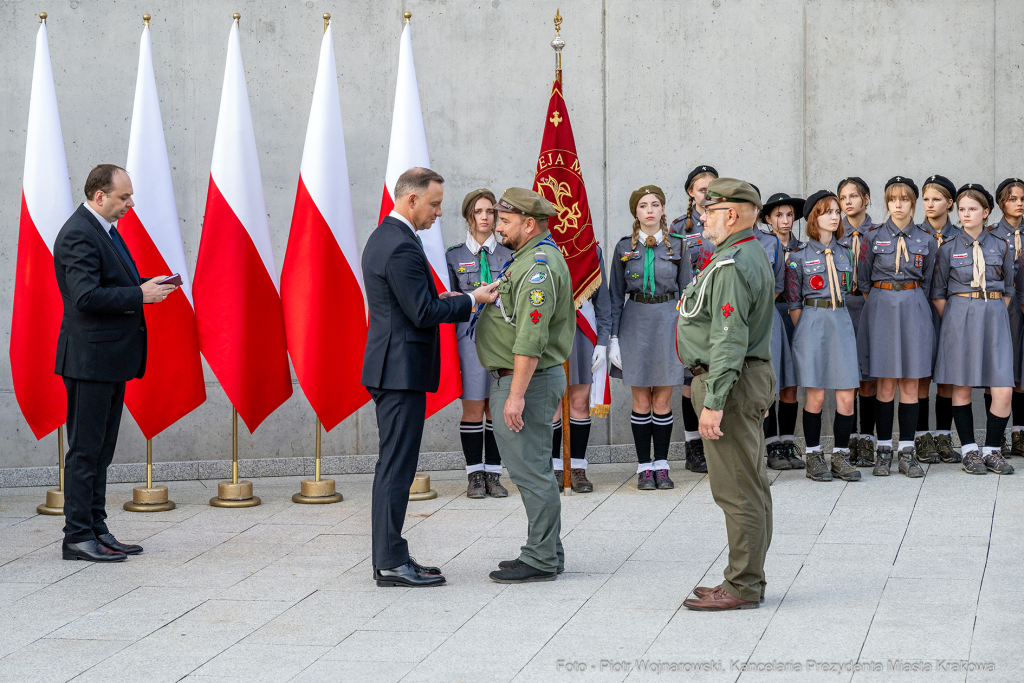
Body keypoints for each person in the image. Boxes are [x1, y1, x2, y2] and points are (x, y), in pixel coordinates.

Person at [361, 167, 499, 588]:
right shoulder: (400, 245)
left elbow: (412, 303)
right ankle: (389, 562)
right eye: (435, 204)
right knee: (396, 467)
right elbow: (421, 313)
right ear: (411, 200)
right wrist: (470, 300)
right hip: (399, 370)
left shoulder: (391, 237)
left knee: (397, 464)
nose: (439, 212)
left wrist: (443, 298)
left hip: (396, 366)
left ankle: (394, 554)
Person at [53, 164, 177, 563]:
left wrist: (146, 288)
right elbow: (86, 297)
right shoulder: (77, 234)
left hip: (108, 359)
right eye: (123, 197)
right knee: (85, 451)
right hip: (89, 360)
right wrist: (138, 295)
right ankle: (76, 536)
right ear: (99, 195)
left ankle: (97, 529)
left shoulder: (104, 230)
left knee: (102, 451)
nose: (130, 203)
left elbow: (110, 286)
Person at [677, 178, 775, 611]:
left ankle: (742, 585)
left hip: (728, 384)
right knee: (749, 485)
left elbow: (729, 338)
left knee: (736, 489)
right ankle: (747, 578)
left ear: (731, 215)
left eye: (709, 211)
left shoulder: (733, 263)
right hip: (738, 379)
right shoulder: (740, 255)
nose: (702, 217)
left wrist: (713, 401)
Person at [475, 188, 574, 583]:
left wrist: (515, 396)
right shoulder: (527, 260)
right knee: (532, 468)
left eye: (505, 220)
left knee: (530, 471)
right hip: (523, 380)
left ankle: (540, 558)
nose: (497, 226)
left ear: (529, 224)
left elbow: (531, 337)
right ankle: (549, 550)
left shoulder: (538, 266)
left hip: (526, 383)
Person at [609, 186, 690, 489]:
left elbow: (687, 293)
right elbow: (616, 296)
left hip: (669, 320)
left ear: (663, 209)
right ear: (636, 213)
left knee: (663, 398)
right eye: (643, 206)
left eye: (655, 204)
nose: (650, 210)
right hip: (636, 322)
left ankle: (663, 464)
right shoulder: (623, 249)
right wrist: (613, 338)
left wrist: (687, 332)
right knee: (641, 399)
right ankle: (645, 466)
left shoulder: (678, 247)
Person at [932, 184, 1014, 475]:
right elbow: (939, 294)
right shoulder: (948, 249)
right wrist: (959, 316)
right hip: (960, 318)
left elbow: (1007, 290)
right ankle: (969, 449)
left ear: (986, 212)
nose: (966, 214)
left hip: (994, 317)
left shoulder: (1001, 245)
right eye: (962, 209)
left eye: (972, 209)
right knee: (962, 384)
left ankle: (992, 449)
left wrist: (989, 310)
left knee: (1003, 388)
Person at [857, 176, 935, 478]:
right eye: (892, 200)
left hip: (914, 305)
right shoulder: (873, 238)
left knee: (911, 382)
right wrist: (885, 298)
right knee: (886, 383)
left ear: (913, 203)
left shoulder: (926, 239)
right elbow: (864, 280)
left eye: (904, 199)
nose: (898, 205)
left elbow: (929, 279)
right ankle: (884, 450)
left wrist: (909, 300)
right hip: (881, 305)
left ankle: (907, 450)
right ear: (887, 203)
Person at [784, 191, 861, 482]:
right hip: (812, 323)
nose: (834, 216)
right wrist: (806, 334)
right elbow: (793, 304)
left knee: (846, 397)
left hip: (840, 321)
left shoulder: (847, 254)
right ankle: (814, 455)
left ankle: (840, 455)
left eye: (836, 211)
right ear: (813, 218)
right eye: (827, 212)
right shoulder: (797, 258)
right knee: (814, 397)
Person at [446, 189, 513, 499]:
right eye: (479, 212)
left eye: (490, 211)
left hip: (501, 338)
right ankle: (474, 474)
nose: (485, 217)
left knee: (496, 408)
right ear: (468, 217)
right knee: (474, 406)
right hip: (469, 339)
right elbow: (446, 300)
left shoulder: (509, 255)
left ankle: (494, 474)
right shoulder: (454, 256)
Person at [551, 241, 610, 494]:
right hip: (550, 330)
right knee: (552, 401)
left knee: (579, 401)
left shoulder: (590, 249)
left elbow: (603, 303)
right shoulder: (541, 247)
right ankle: (553, 467)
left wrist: (604, 343)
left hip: (583, 329)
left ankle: (576, 467)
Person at [671, 165, 718, 473]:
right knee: (691, 380)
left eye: (712, 189)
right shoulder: (678, 228)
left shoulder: (724, 220)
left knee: (715, 375)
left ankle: (714, 444)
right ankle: (693, 446)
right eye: (702, 189)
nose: (707, 195)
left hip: (719, 307)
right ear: (691, 192)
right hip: (691, 310)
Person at [915, 175, 960, 463]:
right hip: (919, 310)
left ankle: (944, 436)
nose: (930, 204)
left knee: (946, 377)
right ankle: (921, 437)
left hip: (951, 311)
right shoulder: (915, 234)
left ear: (950, 203)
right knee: (920, 375)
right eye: (926, 199)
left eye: (936, 199)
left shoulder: (961, 235)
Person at [758, 193, 804, 470]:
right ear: (767, 219)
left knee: (790, 383)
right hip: (771, 314)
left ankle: (788, 441)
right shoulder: (763, 245)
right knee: (770, 383)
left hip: (795, 315)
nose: (785, 221)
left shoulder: (803, 248)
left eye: (789, 215)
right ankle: (771, 443)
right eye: (778, 215)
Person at [836, 177, 878, 466]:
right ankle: (848, 439)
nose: (848, 201)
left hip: (869, 306)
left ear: (866, 199)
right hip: (841, 308)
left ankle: (867, 438)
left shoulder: (878, 234)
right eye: (843, 197)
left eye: (854, 196)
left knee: (868, 377)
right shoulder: (833, 232)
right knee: (846, 376)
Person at [991, 177, 1024, 457]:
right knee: (1000, 369)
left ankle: (1020, 433)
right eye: (1012, 198)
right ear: (1001, 202)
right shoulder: (992, 235)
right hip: (1003, 308)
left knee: (1023, 369)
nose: (1019, 203)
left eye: (1022, 198)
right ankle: (997, 434)